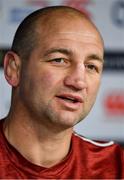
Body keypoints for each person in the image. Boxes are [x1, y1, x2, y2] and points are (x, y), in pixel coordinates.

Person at [0, 5, 123, 179]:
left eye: (91, 67)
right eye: (59, 60)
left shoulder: (116, 166)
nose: (79, 82)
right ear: (14, 69)